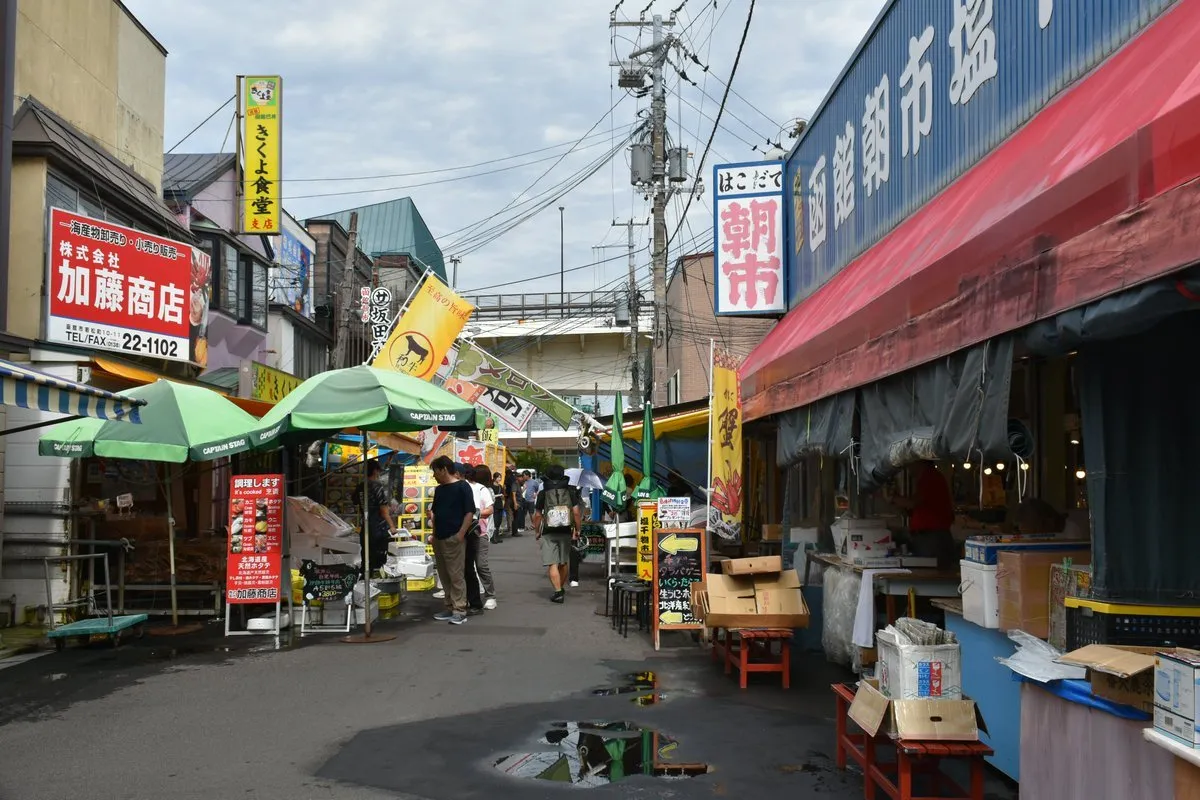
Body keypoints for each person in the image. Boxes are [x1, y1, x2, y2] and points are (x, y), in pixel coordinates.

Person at [429, 456, 475, 625]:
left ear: (443, 469)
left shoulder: (463, 486)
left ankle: (459, 609)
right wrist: (433, 535)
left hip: (454, 537)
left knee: (456, 575)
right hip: (439, 537)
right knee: (444, 575)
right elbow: (435, 514)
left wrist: (460, 534)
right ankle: (449, 607)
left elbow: (469, 512)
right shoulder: (439, 490)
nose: (434, 475)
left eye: (435, 471)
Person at [891, 461, 957, 569]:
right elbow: (916, 508)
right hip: (927, 537)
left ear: (920, 462)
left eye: (909, 463)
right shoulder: (925, 480)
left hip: (932, 539)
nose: (907, 468)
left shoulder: (931, 478)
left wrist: (892, 498)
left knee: (931, 572)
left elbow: (912, 503)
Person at [532, 464, 582, 603]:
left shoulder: (543, 493)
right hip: (566, 530)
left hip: (549, 531)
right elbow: (576, 513)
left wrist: (537, 531)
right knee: (563, 562)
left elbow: (537, 515)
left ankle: (558, 591)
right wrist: (578, 529)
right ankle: (560, 588)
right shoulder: (570, 491)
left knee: (552, 563)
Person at [465, 465, 498, 612]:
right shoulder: (459, 487)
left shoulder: (481, 489)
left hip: (480, 533)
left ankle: (491, 596)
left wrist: (475, 515)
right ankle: (466, 598)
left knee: (480, 565)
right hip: (461, 533)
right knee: (465, 568)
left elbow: (490, 509)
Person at [358, 460, 396, 577]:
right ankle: (378, 585)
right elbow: (384, 511)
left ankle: (365, 583)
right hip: (378, 528)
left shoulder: (360, 486)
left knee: (366, 558)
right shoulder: (377, 486)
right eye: (378, 471)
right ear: (375, 470)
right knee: (378, 559)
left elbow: (355, 501)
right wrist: (392, 527)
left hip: (365, 526)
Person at [491, 471, 506, 543]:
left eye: (500, 477)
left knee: (499, 521)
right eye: (498, 477)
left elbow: (503, 495)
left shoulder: (500, 486)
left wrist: (502, 497)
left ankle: (497, 537)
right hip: (494, 505)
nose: (499, 478)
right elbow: (491, 496)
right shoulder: (491, 486)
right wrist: (499, 495)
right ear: (494, 478)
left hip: (500, 504)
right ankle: (493, 538)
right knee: (495, 521)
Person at [510, 471, 526, 537]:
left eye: (522, 477)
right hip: (516, 503)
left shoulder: (519, 484)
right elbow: (513, 494)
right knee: (515, 518)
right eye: (521, 477)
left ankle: (515, 531)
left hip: (519, 502)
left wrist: (524, 489)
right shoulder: (515, 484)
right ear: (517, 478)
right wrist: (515, 504)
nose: (522, 479)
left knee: (517, 517)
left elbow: (519, 493)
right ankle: (514, 532)